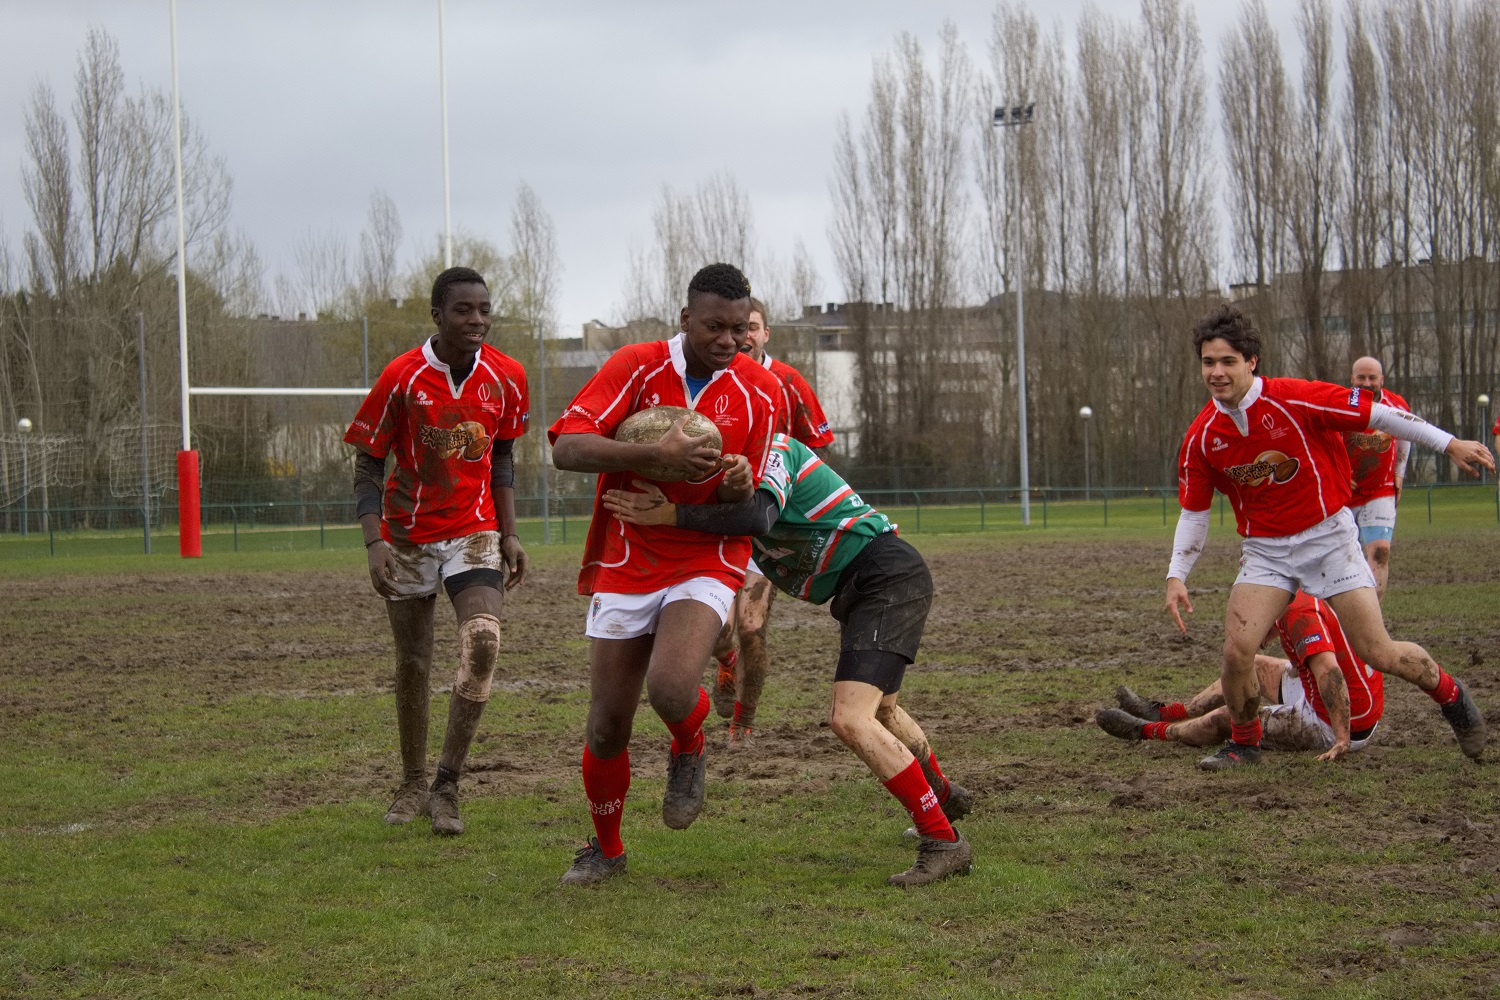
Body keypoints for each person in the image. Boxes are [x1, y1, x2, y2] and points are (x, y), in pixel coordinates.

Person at [604, 432, 975, 887]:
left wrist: (672, 514)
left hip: (886, 575)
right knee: (882, 711)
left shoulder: (774, 449)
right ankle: (943, 796)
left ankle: (943, 840)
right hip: (865, 588)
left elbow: (757, 516)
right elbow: (734, 597)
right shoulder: (730, 496)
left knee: (850, 719)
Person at [1163, 304, 1491, 770]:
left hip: (1330, 540)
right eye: (1208, 362)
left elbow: (1382, 416)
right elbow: (1193, 513)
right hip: (1267, 552)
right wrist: (1177, 574)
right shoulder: (1202, 436)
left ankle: (1453, 698)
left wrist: (1449, 442)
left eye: (1227, 361)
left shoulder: (1298, 398)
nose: (1216, 372)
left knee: (1377, 651)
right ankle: (1245, 744)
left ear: (1251, 361)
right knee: (1237, 652)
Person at [549, 263, 782, 886]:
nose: (728, 340)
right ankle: (607, 851)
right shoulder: (636, 365)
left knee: (672, 689)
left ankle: (689, 743)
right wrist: (656, 455)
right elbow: (566, 448)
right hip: (627, 556)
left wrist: (737, 484)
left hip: (706, 555)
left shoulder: (762, 392)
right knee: (606, 723)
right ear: (685, 319)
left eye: (738, 329)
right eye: (714, 327)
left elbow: (752, 504)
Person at [345, 266, 530, 835]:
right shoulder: (401, 377)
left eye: (483, 309)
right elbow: (368, 463)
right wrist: (374, 539)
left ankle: (447, 784)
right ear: (437, 315)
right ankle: (410, 783)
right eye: (463, 310)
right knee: (413, 661)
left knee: (483, 645)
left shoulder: (507, 376)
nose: (477, 320)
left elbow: (501, 458)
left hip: (473, 530)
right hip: (406, 534)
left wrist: (510, 531)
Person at [709, 296, 837, 745]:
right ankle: (725, 664)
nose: (743, 336)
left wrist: (798, 506)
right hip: (716, 524)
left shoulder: (788, 382)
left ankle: (742, 723)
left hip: (767, 530)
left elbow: (817, 449)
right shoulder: (711, 379)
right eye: (737, 328)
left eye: (752, 327)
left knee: (751, 627)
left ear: (765, 334)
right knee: (718, 631)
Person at [1100, 591, 1382, 760]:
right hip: (1346, 703)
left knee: (1231, 716)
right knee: (1252, 666)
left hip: (1337, 719)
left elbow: (1330, 673)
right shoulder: (1303, 592)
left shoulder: (1299, 614)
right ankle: (1167, 713)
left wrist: (1341, 737)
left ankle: (1147, 731)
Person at [1344, 357, 1411, 601]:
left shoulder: (1396, 405)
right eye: (1361, 377)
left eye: (1372, 378)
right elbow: (1323, 443)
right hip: (1343, 493)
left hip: (1380, 489)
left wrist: (1399, 474)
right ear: (1352, 379)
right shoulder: (1340, 404)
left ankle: (1372, 620)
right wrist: (1338, 472)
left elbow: (1407, 436)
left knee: (1380, 553)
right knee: (1340, 559)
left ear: (1381, 380)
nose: (1367, 382)